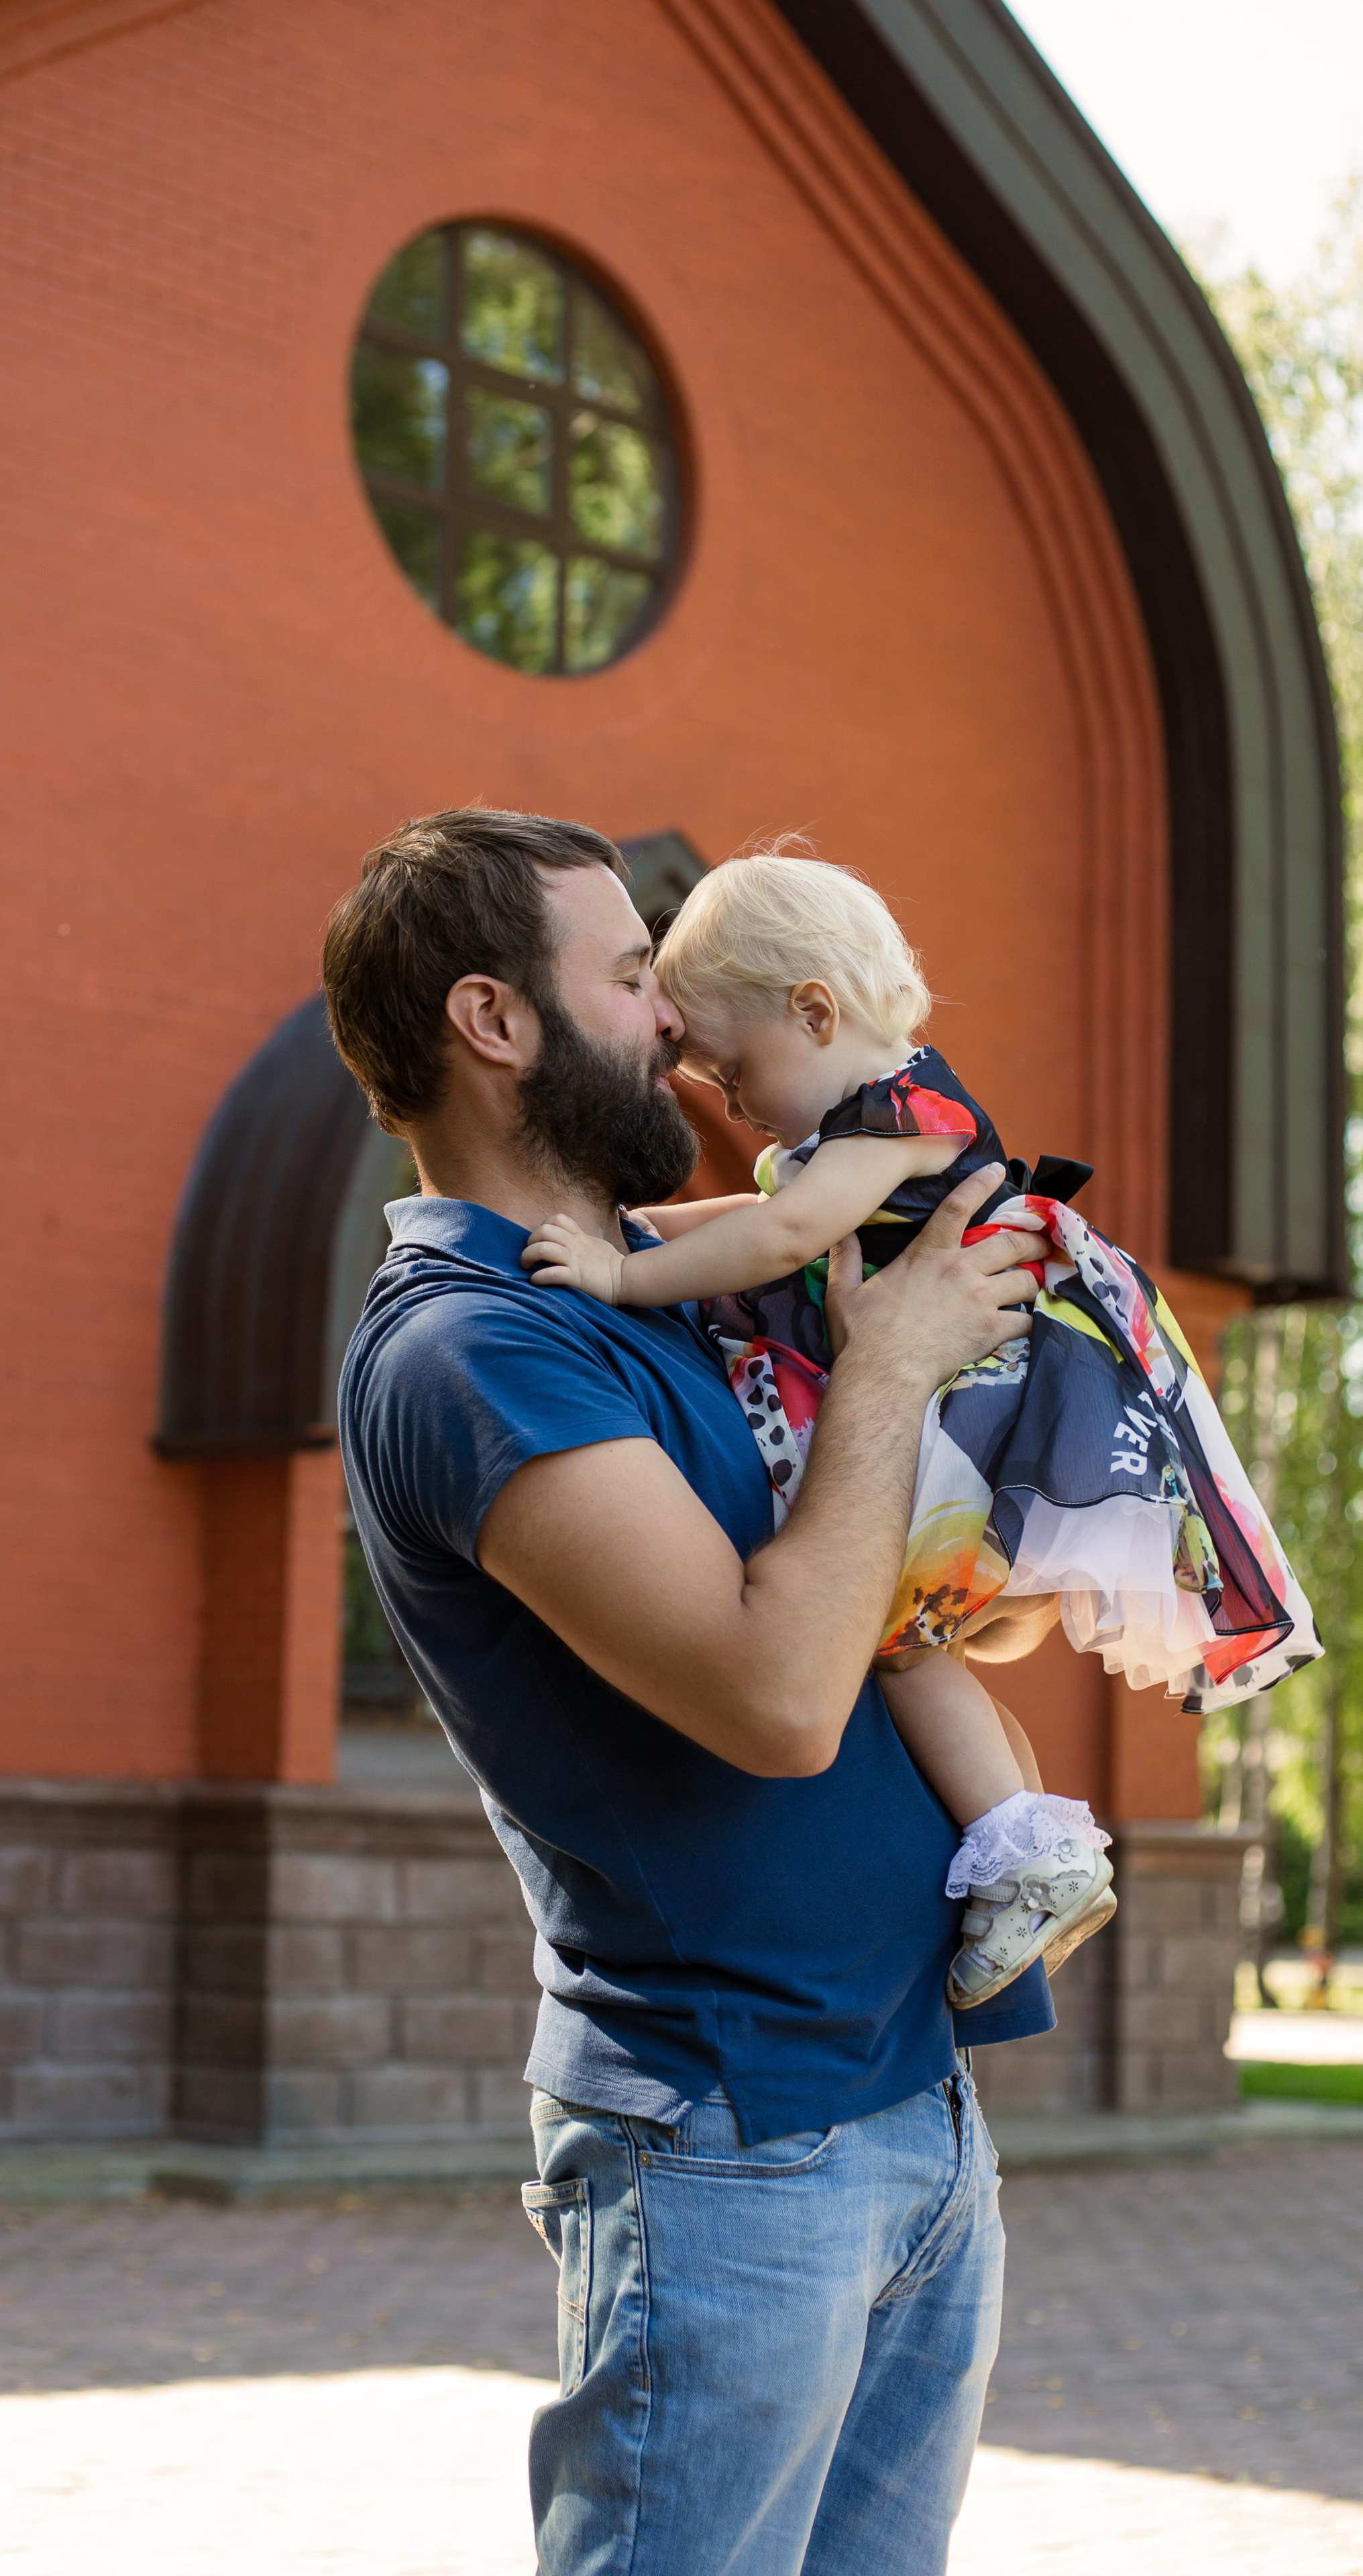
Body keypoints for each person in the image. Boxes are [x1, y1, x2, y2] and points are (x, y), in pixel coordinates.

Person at [327, 807, 1056, 2576]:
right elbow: (778, 1700)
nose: (675, 1020)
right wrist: (892, 1361)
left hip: (907, 2112)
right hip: (728, 2151)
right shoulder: (472, 1350)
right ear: (498, 1023)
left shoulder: (679, 1284)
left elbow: (910, 1615)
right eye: (632, 974)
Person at [521, 847, 1319, 2013]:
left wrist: (617, 1274)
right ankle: (1024, 1837)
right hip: (983, 1391)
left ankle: (1028, 1850)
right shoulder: (864, 1131)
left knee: (893, 1635)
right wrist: (638, 1227)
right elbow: (758, 1209)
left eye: (735, 1075)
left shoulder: (905, 1118)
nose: (728, 1104)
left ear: (814, 1010)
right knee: (919, 1635)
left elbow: (779, 1233)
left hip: (995, 1394)